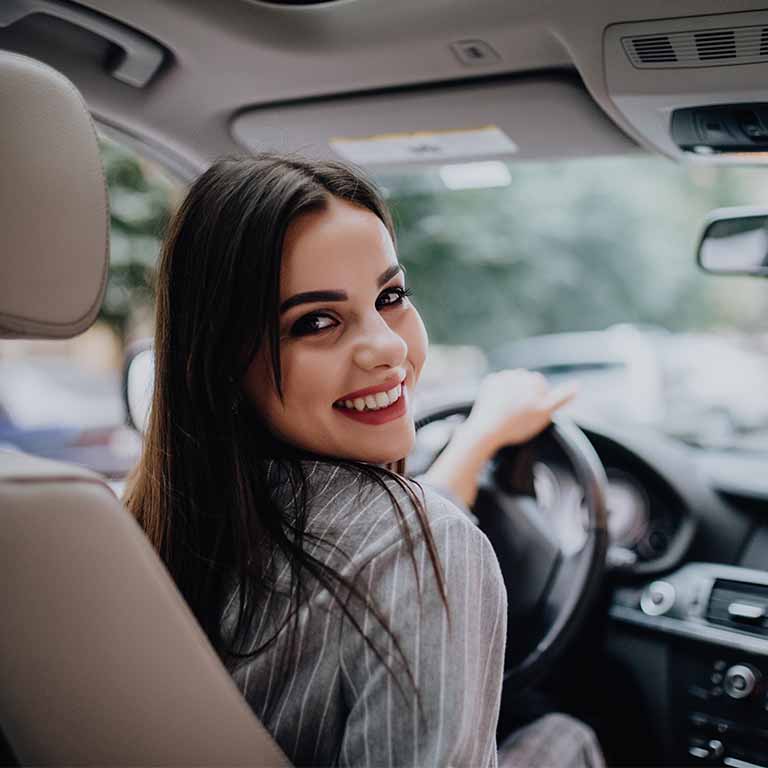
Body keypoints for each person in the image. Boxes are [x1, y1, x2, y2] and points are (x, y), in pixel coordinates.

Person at [125, 153, 604, 767]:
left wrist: (479, 439)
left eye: (391, 295)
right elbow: (398, 553)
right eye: (317, 321)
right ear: (223, 361)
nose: (388, 346)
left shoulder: (146, 524)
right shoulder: (429, 548)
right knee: (568, 739)